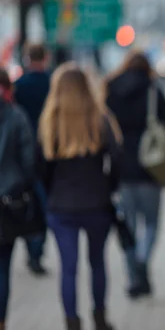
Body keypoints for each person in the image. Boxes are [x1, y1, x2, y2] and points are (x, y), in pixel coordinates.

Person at [38, 63, 120, 330]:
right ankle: (100, 318)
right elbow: (117, 160)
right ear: (87, 88)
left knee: (68, 268)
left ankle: (72, 322)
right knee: (97, 262)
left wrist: (51, 193)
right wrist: (109, 187)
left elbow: (41, 168)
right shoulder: (101, 119)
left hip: (61, 206)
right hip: (97, 202)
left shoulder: (50, 122)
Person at [105, 50, 165, 299]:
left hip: (122, 169)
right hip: (151, 168)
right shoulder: (153, 90)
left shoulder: (111, 90)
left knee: (130, 225)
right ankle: (143, 262)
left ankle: (134, 275)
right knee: (152, 223)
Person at [0, 68, 36, 330]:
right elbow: (29, 160)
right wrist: (21, 186)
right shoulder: (15, 115)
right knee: (2, 267)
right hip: (7, 200)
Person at [13, 43, 51, 276]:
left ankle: (31, 245)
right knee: (44, 203)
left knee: (30, 202)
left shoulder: (20, 86)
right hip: (47, 151)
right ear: (45, 57)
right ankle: (36, 250)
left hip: (23, 152)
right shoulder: (53, 83)